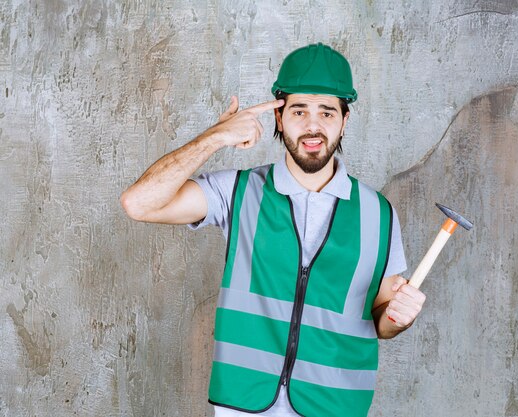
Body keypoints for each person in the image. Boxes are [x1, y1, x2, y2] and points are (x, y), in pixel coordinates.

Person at [120, 43, 426, 417]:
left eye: (327, 112)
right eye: (299, 111)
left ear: (344, 121)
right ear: (279, 119)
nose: (313, 126)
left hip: (335, 407)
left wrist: (399, 318)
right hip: (244, 405)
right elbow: (139, 203)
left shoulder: (379, 214)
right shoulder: (237, 191)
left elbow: (381, 319)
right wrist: (215, 137)